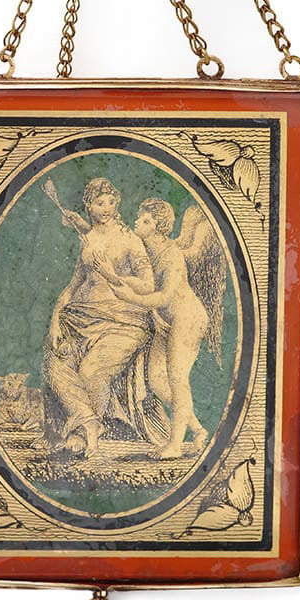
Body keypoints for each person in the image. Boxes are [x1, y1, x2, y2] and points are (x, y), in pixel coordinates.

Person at [43, 177, 162, 456]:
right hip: (84, 319)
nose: (106, 208)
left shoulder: (130, 240)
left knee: (91, 371)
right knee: (55, 358)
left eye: (111, 202)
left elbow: (148, 285)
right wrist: (54, 320)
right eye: (99, 203)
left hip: (125, 322)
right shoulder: (89, 240)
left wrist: (113, 275)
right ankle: (88, 424)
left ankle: (83, 431)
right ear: (88, 206)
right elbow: (74, 285)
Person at [93, 198, 212, 462]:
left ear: (157, 227)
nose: (137, 222)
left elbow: (164, 296)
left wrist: (131, 298)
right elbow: (144, 282)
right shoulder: (145, 248)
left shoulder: (172, 255)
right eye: (140, 217)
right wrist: (116, 279)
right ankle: (198, 430)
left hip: (187, 319)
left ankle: (176, 445)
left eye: (145, 220)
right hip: (166, 321)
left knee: (177, 378)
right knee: (157, 380)